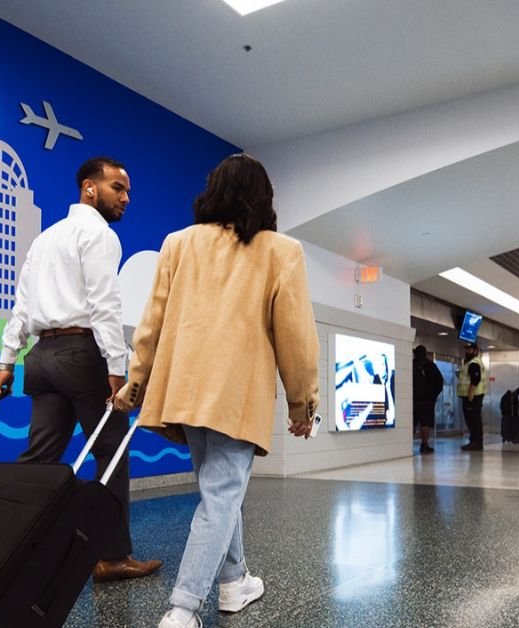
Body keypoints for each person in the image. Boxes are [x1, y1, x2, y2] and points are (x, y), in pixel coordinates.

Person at [112, 154, 320, 628]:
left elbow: (152, 325)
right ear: (264, 197)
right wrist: (302, 401)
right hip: (235, 391)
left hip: (183, 388)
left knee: (219, 491)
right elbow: (296, 336)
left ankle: (234, 583)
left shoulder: (178, 243)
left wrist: (137, 382)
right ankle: (183, 608)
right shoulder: (280, 251)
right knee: (223, 494)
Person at [0, 156, 161, 583]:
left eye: (128, 192)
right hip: (83, 355)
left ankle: (7, 548)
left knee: (39, 460)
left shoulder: (45, 238)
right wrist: (117, 372)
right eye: (117, 188)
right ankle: (112, 556)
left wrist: (6, 362)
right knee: (111, 455)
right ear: (90, 187)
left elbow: (22, 307)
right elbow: (105, 305)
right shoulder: (98, 235)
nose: (125, 198)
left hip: (42, 360)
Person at [413, 345, 444, 453]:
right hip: (427, 401)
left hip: (413, 400)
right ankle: (424, 444)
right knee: (425, 423)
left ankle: (407, 445)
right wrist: (433, 396)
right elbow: (440, 382)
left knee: (412, 422)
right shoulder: (431, 365)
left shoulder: (411, 365)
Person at [458, 343, 487, 451]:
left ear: (475, 351)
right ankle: (476, 441)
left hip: (472, 396)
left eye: (469, 349)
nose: (467, 352)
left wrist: (470, 394)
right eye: (466, 349)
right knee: (474, 419)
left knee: (472, 420)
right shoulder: (472, 362)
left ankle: (475, 442)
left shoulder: (474, 363)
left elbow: (475, 379)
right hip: (474, 395)